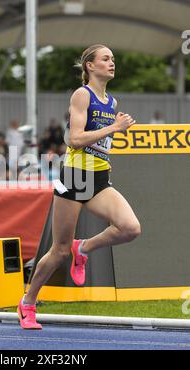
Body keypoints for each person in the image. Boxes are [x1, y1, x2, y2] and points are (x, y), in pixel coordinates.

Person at [17, 44, 141, 330]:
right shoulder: (82, 95)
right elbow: (74, 138)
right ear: (90, 66)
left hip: (98, 178)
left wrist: (110, 135)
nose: (112, 63)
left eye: (113, 58)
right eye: (106, 59)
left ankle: (83, 248)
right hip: (75, 177)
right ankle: (28, 303)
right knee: (59, 251)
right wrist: (114, 129)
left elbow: (99, 142)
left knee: (130, 228)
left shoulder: (112, 102)